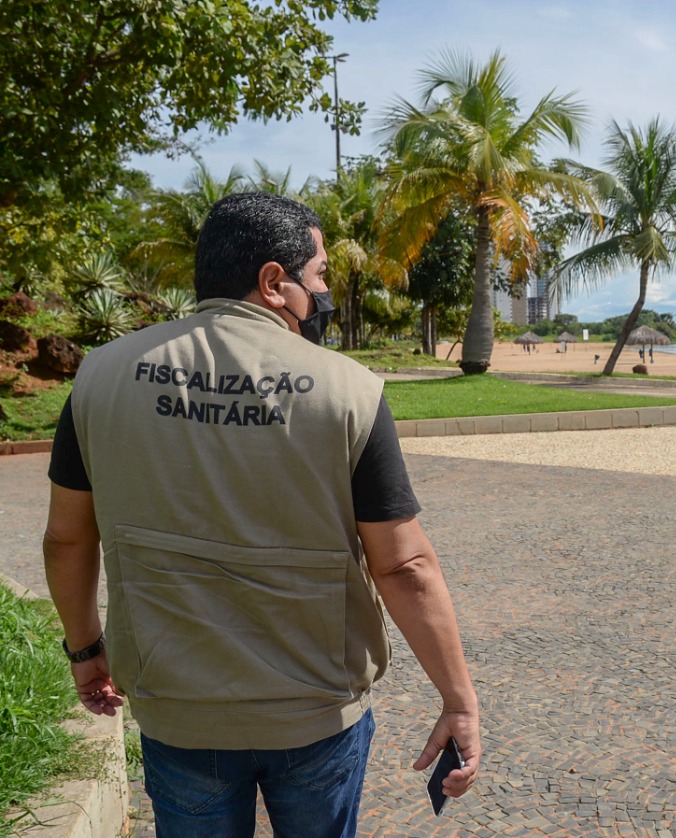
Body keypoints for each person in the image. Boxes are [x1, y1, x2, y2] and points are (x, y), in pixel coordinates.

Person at [42, 192, 480, 837]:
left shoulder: (100, 377)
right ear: (275, 282)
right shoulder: (347, 390)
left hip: (179, 711)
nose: (326, 290)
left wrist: (85, 650)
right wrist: (459, 699)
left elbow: (66, 540)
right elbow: (406, 566)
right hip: (315, 713)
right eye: (321, 273)